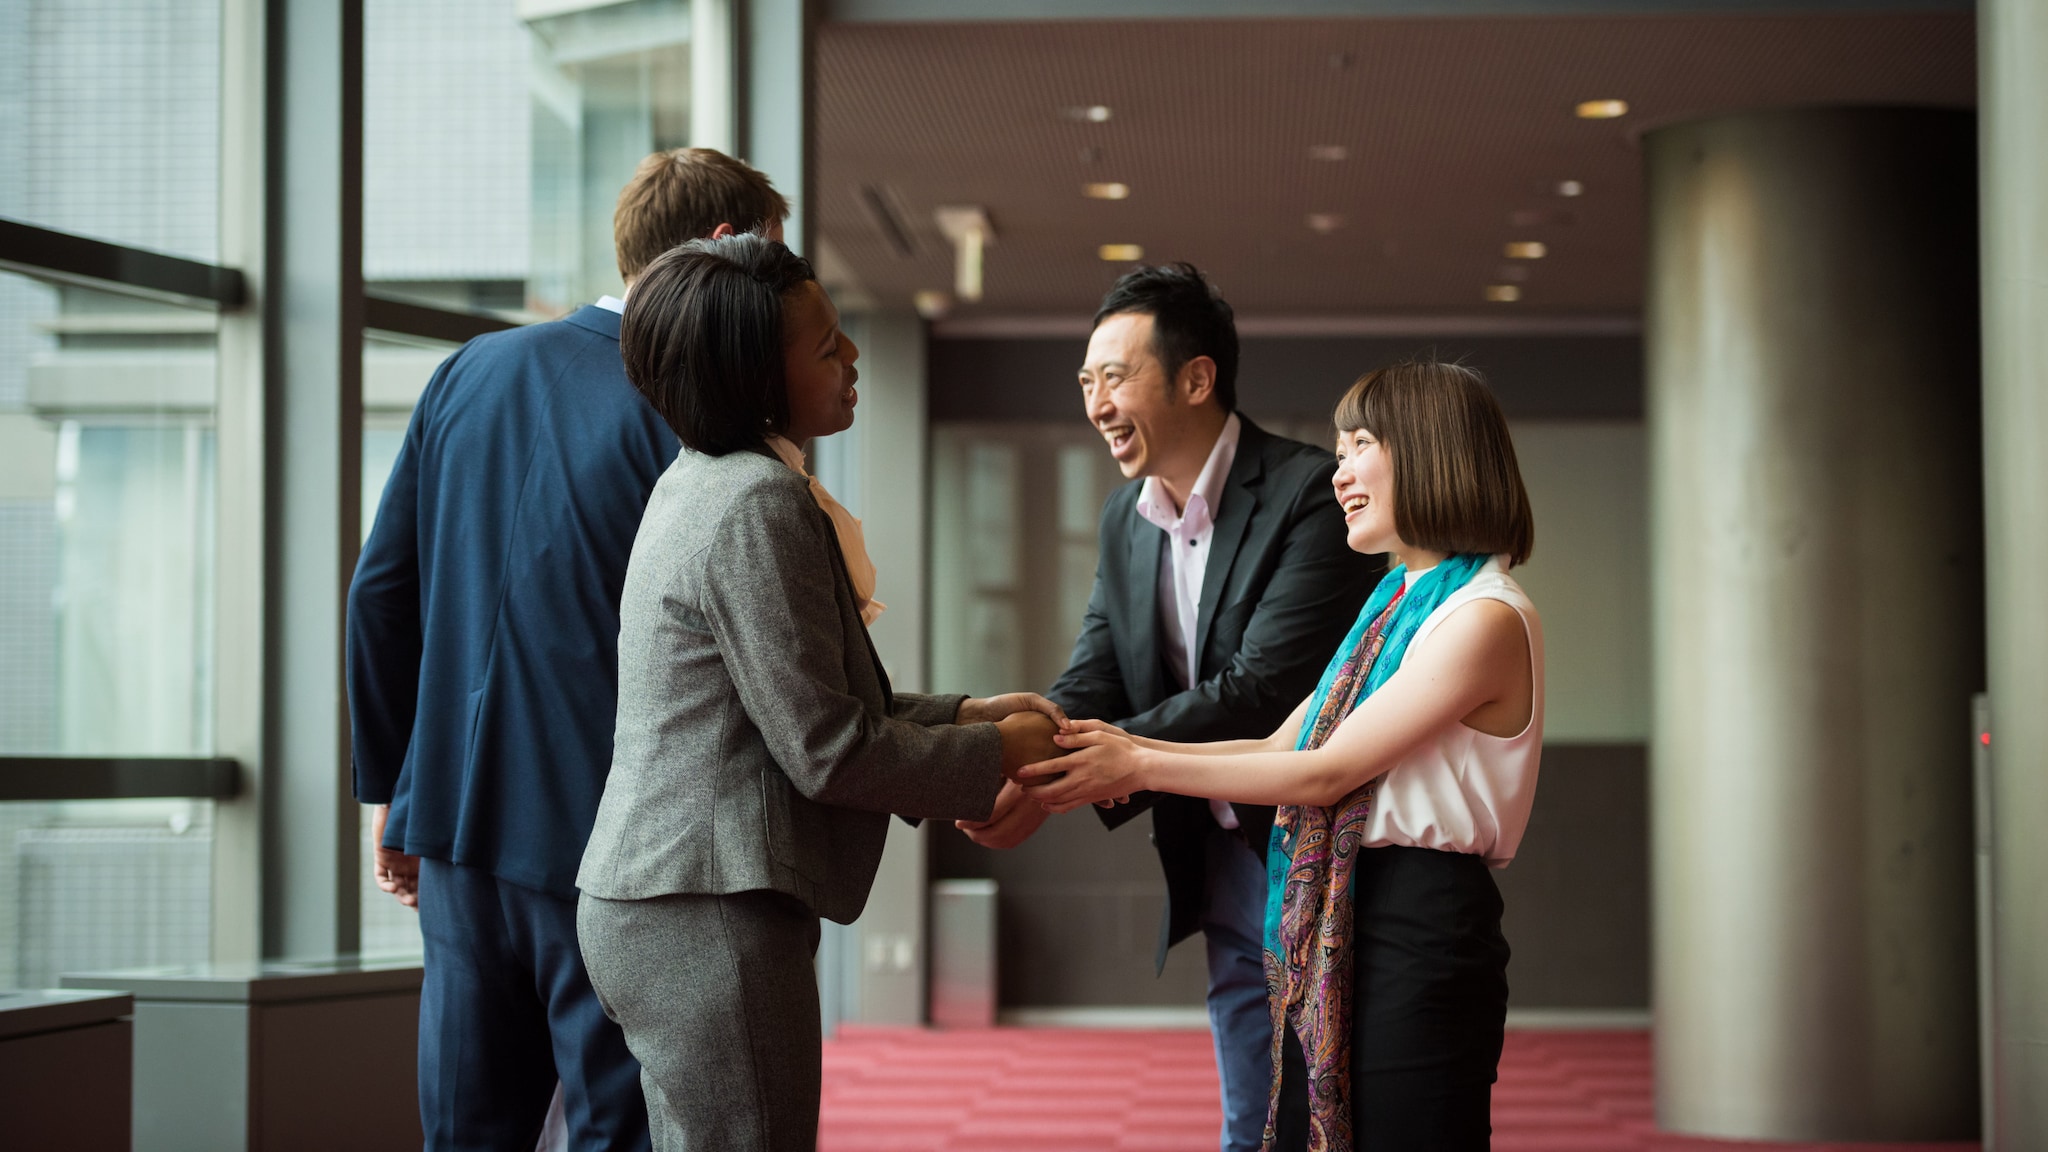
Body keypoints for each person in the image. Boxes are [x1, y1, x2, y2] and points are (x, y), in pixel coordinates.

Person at [574, 233, 1066, 1152]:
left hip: (665, 900)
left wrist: (966, 715)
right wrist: (999, 755)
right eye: (826, 344)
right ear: (759, 374)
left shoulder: (700, 484)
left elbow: (790, 704)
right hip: (704, 909)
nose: (851, 358)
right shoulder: (757, 500)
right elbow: (826, 748)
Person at [346, 147, 788, 1150]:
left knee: (467, 1131)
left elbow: (381, 595)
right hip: (615, 848)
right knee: (612, 1128)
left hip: (456, 833)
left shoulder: (469, 370)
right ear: (725, 246)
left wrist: (395, 790)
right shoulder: (689, 410)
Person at [1019, 359, 1543, 1152]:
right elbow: (1276, 747)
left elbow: (1325, 772)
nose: (1340, 475)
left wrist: (1139, 764)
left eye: (1360, 445)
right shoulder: (1390, 606)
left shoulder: (1484, 617)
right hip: (1340, 912)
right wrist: (1124, 746)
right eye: (1337, 452)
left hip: (1419, 921)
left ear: (1433, 450)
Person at [956, 263, 1378, 1151]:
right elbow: (1096, 673)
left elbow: (1262, 689)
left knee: (1334, 1106)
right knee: (1248, 1110)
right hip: (1216, 848)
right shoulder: (1122, 518)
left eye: (1116, 376)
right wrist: (1025, 764)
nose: (1097, 403)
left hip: (1320, 850)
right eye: (1085, 382)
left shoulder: (1307, 494)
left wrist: (1085, 769)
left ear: (1197, 377)